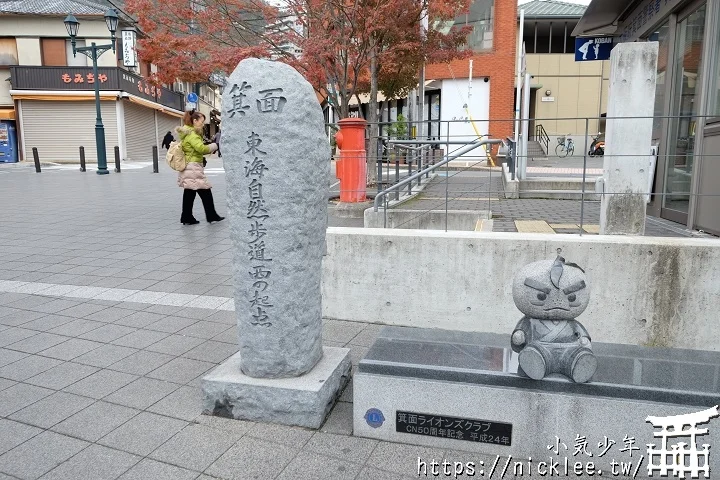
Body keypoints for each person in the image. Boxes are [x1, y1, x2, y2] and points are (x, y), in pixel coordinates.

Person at [176, 111, 224, 225]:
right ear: (195, 121)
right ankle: (211, 215)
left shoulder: (189, 133)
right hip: (193, 167)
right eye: (202, 122)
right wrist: (215, 145)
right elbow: (201, 148)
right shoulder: (192, 134)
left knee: (189, 192)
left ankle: (187, 217)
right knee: (205, 190)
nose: (203, 124)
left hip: (190, 166)